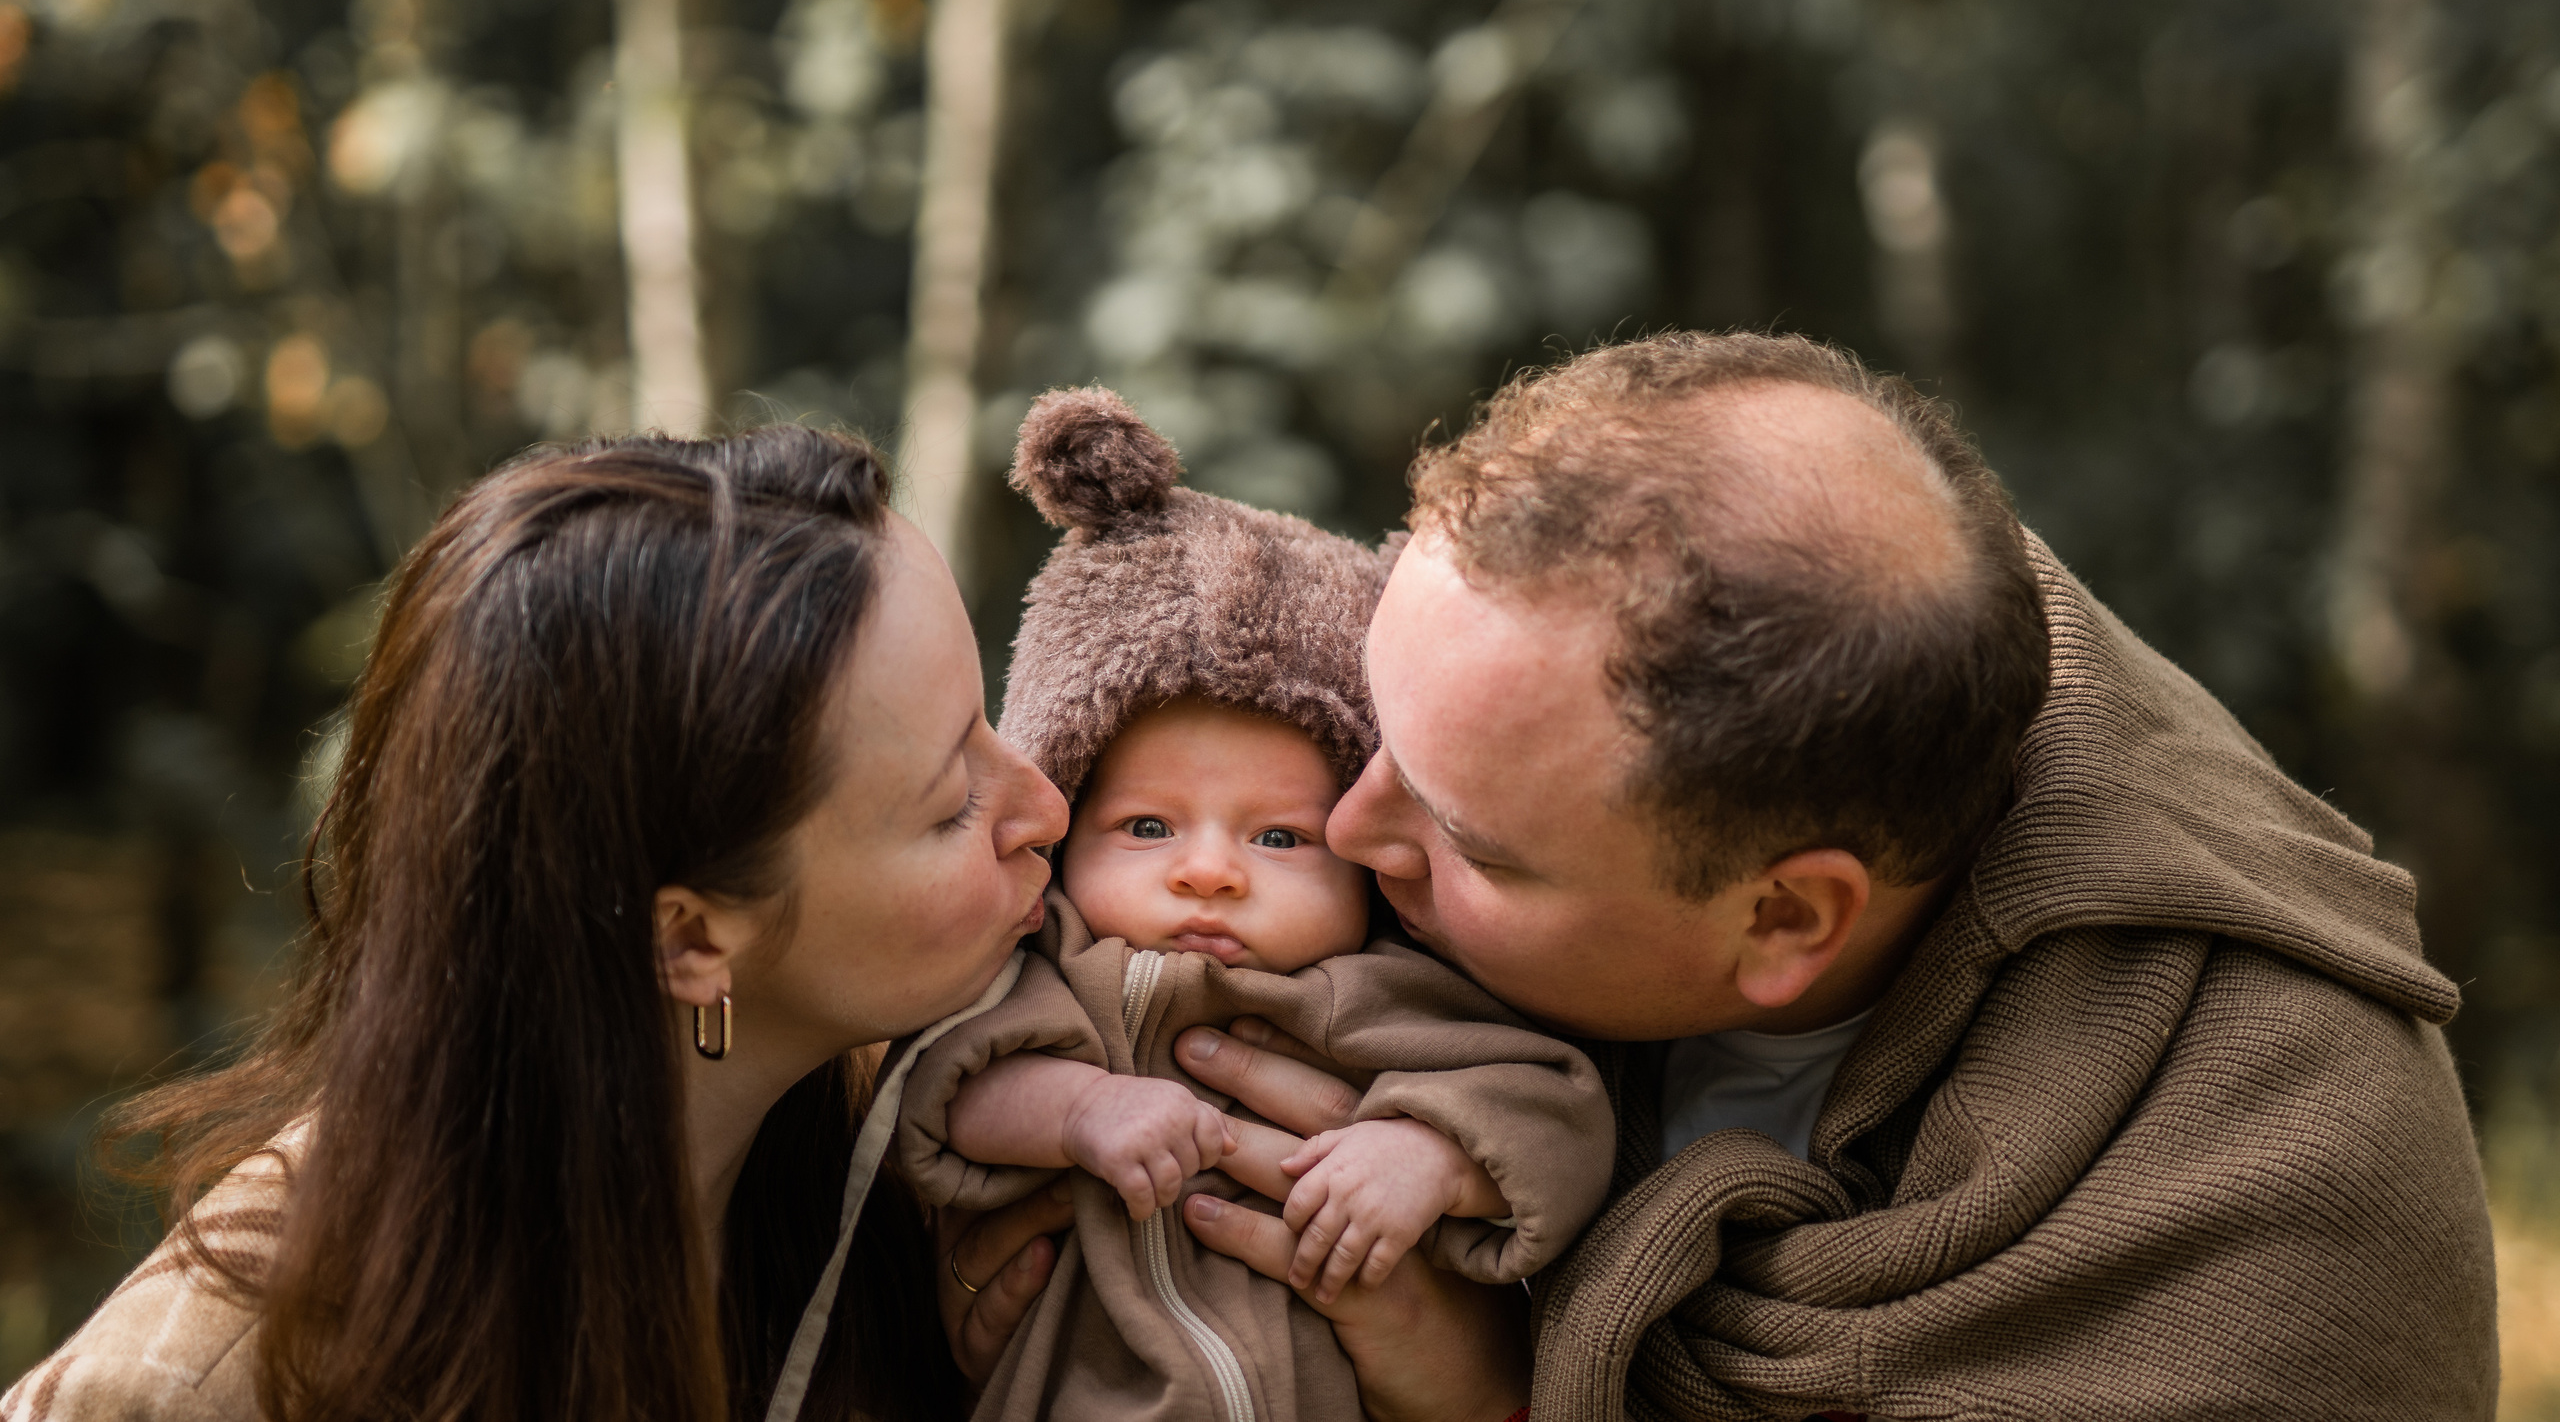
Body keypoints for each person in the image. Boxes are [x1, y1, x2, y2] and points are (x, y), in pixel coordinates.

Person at [972, 331, 2498, 1420]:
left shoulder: (2278, 1183)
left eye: (1465, 837)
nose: (1352, 830)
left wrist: (1491, 1389)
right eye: (1373, 730)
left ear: (1784, 915)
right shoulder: (1595, 658)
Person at [2, 427, 1070, 1422]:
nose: (1046, 807)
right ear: (689, 941)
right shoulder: (193, 1392)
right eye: (950, 804)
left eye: (985, 721)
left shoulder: (944, 1158)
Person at [900, 390, 1613, 1422]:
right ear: (1062, 821)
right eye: (1147, 826)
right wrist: (1080, 1109)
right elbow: (946, 1085)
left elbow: (1556, 1107)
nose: (1208, 872)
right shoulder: (1039, 967)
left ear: (1363, 861)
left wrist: (1430, 1155)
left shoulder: (1385, 994)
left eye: (1277, 838)